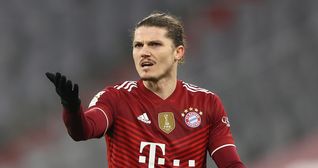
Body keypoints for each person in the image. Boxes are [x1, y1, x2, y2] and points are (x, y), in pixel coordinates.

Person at [46, 12, 245, 168]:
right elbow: (83, 129)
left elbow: (230, 163)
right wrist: (71, 107)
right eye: (138, 45)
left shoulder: (206, 103)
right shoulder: (116, 98)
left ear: (178, 52)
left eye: (155, 44)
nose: (144, 52)